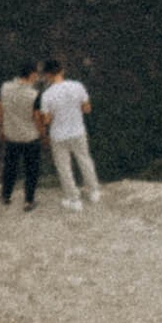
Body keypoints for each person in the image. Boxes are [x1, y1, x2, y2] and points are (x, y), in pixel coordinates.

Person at [38, 59, 101, 212]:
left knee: (64, 168)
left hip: (58, 135)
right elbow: (87, 109)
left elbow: (46, 120)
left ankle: (74, 199)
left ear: (47, 75)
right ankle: (94, 191)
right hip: (78, 131)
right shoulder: (77, 86)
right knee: (84, 160)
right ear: (62, 71)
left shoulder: (47, 95)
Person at [0, 61, 45, 211]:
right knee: (31, 169)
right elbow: (37, 118)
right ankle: (28, 201)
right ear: (31, 74)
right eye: (36, 74)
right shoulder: (34, 94)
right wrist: (43, 135)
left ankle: (6, 195)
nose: (37, 77)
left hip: (11, 135)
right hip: (30, 137)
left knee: (10, 167)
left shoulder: (5, 88)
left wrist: (1, 129)